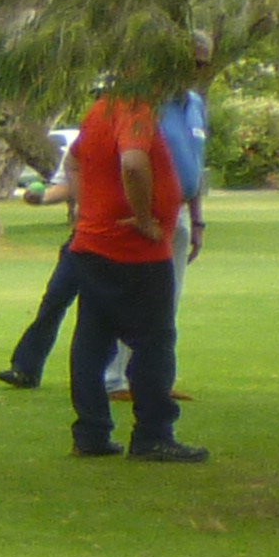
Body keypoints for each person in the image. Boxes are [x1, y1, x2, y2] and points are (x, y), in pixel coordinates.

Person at [6, 27, 212, 396]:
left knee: (165, 304)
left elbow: (192, 164)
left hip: (175, 216)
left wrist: (196, 218)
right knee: (108, 308)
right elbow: (114, 162)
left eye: (201, 65)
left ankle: (149, 382)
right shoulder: (137, 105)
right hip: (129, 221)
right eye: (190, 63)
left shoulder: (195, 105)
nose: (195, 71)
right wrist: (125, 210)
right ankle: (115, 383)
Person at [57, 76, 202, 461]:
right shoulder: (135, 110)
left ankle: (91, 433)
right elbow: (134, 163)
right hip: (132, 250)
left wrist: (86, 207)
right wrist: (143, 217)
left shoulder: (99, 108)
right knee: (154, 341)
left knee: (93, 338)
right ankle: (153, 433)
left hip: (93, 244)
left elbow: (73, 160)